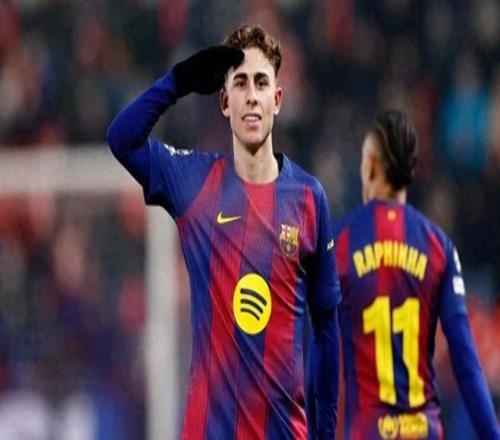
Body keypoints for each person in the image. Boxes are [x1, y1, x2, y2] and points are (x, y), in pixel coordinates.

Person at [107, 24, 341, 439]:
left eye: (261, 83)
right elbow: (122, 138)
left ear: (277, 100)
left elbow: (326, 327)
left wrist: (325, 433)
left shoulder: (309, 198)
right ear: (224, 102)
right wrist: (177, 82)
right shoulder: (194, 181)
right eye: (241, 83)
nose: (251, 95)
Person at [331, 109, 500, 439]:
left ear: (370, 166)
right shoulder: (439, 246)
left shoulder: (340, 243)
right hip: (422, 431)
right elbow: (466, 362)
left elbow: (322, 360)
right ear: (411, 169)